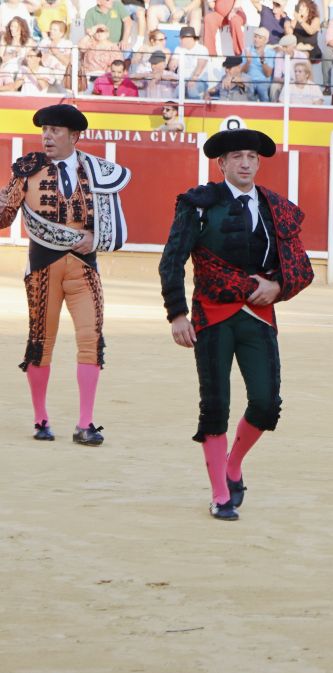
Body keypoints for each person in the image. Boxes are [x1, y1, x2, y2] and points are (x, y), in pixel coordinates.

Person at [158, 128, 314, 521]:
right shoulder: (198, 204)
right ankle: (219, 495)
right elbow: (172, 260)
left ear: (258, 163)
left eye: (251, 157)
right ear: (221, 163)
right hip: (211, 315)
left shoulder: (275, 207)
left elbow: (299, 266)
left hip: (258, 315)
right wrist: (177, 313)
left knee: (266, 403)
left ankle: (232, 465)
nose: (245, 163)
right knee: (215, 405)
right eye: (237, 157)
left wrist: (277, 286)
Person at [0, 105, 131, 445]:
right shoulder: (27, 170)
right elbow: (5, 216)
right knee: (41, 343)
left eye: (55, 130)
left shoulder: (96, 171)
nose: (47, 136)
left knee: (91, 341)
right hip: (43, 269)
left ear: (74, 136)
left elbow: (112, 224)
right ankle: (41, 419)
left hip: (85, 270)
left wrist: (96, 239)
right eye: (45, 129)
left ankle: (85, 423)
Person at [170, 25, 209, 99]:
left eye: (181, 38)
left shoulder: (202, 49)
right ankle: (174, 109)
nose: (179, 40)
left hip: (198, 80)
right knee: (177, 91)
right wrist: (172, 65)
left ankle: (195, 109)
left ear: (188, 38)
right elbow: (173, 63)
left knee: (192, 89)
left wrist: (193, 79)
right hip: (182, 81)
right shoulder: (178, 49)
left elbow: (200, 67)